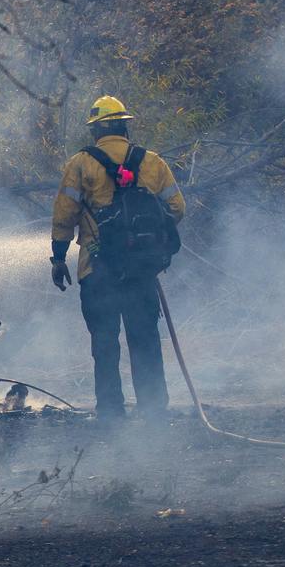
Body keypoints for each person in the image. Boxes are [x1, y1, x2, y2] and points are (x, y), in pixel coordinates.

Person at [49, 96, 187, 423]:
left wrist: (58, 257)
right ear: (125, 126)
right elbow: (177, 209)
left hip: (98, 270)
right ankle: (153, 409)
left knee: (104, 343)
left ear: (96, 131)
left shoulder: (81, 164)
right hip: (141, 271)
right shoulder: (152, 162)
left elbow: (64, 216)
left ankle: (111, 413)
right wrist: (147, 238)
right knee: (145, 340)